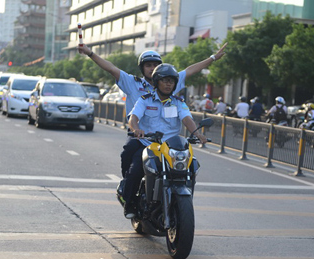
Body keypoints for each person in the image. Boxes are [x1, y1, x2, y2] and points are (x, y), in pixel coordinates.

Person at [78, 42, 226, 180]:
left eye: (155, 65)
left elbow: (190, 71)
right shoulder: (133, 84)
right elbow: (110, 68)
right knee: (130, 159)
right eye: (148, 65)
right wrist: (90, 53)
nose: (152, 68)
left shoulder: (170, 84)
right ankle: (127, 187)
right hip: (142, 137)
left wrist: (213, 58)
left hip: (168, 142)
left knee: (188, 168)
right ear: (142, 68)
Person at [124, 64, 208, 218]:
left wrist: (197, 133)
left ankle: (181, 202)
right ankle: (129, 203)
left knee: (191, 167)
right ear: (156, 82)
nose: (169, 84)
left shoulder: (178, 102)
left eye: (171, 81)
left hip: (171, 148)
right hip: (149, 145)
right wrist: (136, 129)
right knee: (135, 170)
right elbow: (134, 117)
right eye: (165, 80)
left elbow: (187, 118)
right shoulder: (145, 100)